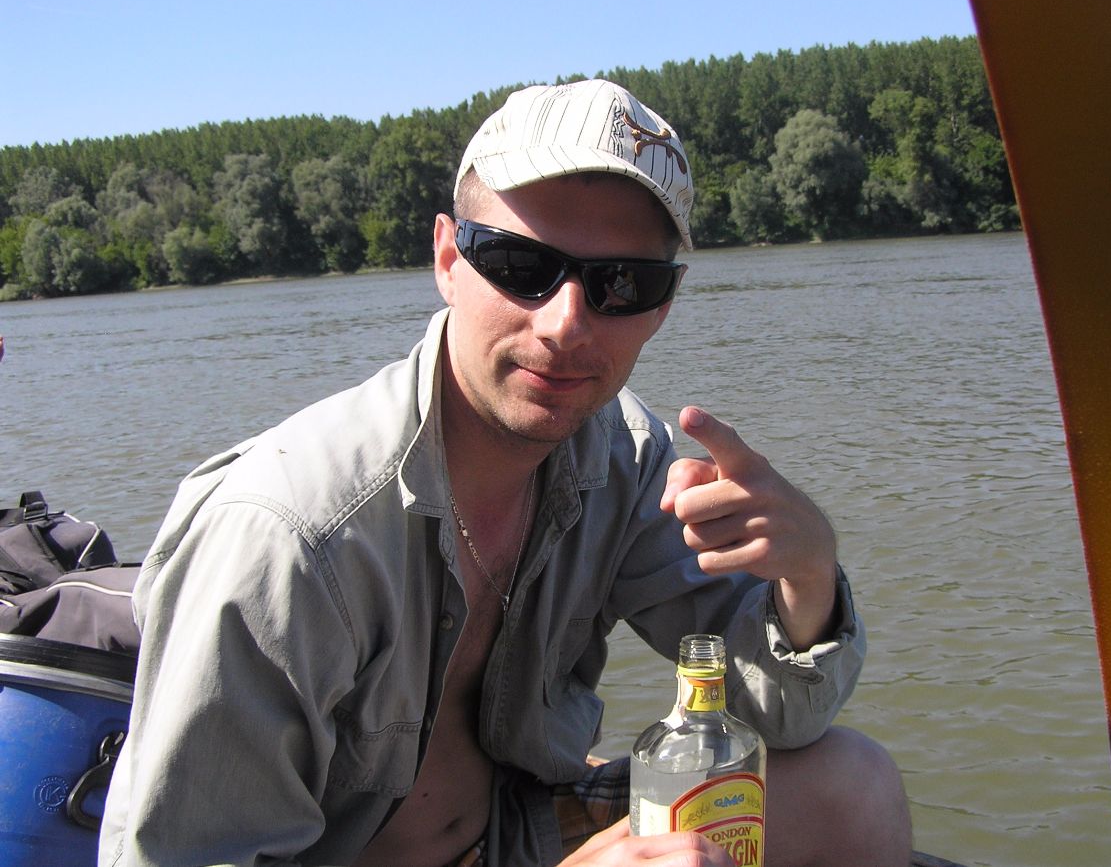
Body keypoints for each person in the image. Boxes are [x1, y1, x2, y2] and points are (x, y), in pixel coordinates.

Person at [99, 79, 911, 867]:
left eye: (622, 284)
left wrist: (809, 579)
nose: (566, 324)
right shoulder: (286, 539)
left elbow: (784, 717)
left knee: (851, 789)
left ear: (663, 306)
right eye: (522, 265)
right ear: (448, 258)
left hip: (518, 828)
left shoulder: (625, 461)